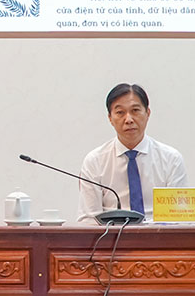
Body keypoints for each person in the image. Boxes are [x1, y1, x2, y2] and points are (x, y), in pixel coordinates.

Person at [77, 83, 187, 224]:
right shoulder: (95, 161)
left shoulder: (171, 159)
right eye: (120, 113)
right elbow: (88, 219)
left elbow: (178, 217)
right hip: (111, 235)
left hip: (158, 235)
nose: (128, 119)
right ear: (110, 118)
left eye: (135, 110)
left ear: (148, 113)